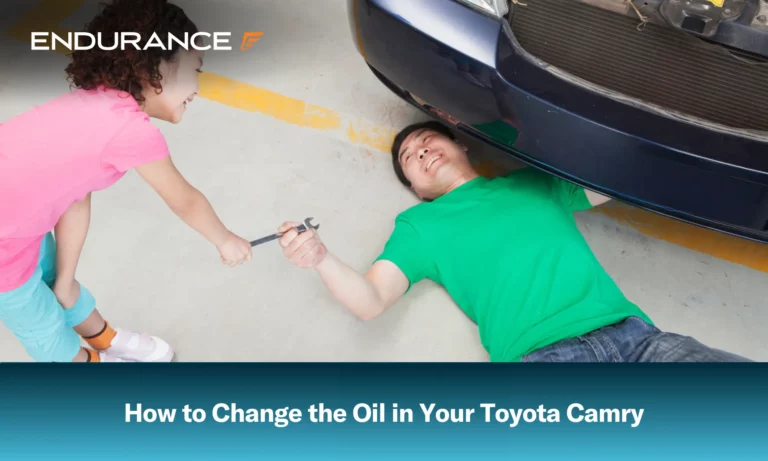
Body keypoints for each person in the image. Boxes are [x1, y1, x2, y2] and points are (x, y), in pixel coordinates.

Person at [277, 120, 751, 362]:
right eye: (409, 157)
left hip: (639, 340)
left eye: (427, 139)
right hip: (546, 360)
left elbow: (620, 179)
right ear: (415, 188)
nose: (420, 150)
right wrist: (319, 257)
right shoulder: (420, 225)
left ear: (462, 145)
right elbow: (371, 300)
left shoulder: (532, 182)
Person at [0, 0, 252, 363]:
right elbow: (185, 200)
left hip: (21, 225)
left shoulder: (93, 106)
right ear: (157, 67)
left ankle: (103, 338)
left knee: (57, 283)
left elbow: (74, 196)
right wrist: (225, 240)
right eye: (194, 69)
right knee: (40, 325)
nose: (197, 86)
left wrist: (68, 280)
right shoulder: (130, 131)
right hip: (6, 245)